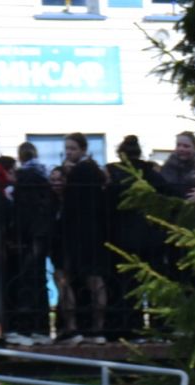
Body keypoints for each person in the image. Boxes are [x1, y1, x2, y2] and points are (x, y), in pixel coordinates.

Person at [107, 135, 166, 335]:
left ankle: (130, 325)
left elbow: (108, 204)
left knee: (128, 284)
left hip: (124, 236)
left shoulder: (115, 174)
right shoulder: (149, 172)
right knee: (154, 281)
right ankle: (159, 325)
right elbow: (170, 195)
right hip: (151, 234)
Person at [56, 133, 110, 341]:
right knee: (95, 281)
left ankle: (73, 328)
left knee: (69, 279)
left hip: (78, 234)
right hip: (94, 233)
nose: (69, 153)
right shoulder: (96, 172)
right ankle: (98, 328)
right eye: (67, 148)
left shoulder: (78, 172)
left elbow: (71, 205)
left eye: (72, 149)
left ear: (83, 149)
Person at [6, 144, 54, 342]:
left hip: (27, 237)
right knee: (39, 281)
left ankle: (24, 329)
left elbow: (21, 212)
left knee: (25, 282)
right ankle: (41, 329)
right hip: (42, 235)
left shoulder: (23, 179)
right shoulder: (44, 177)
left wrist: (16, 233)